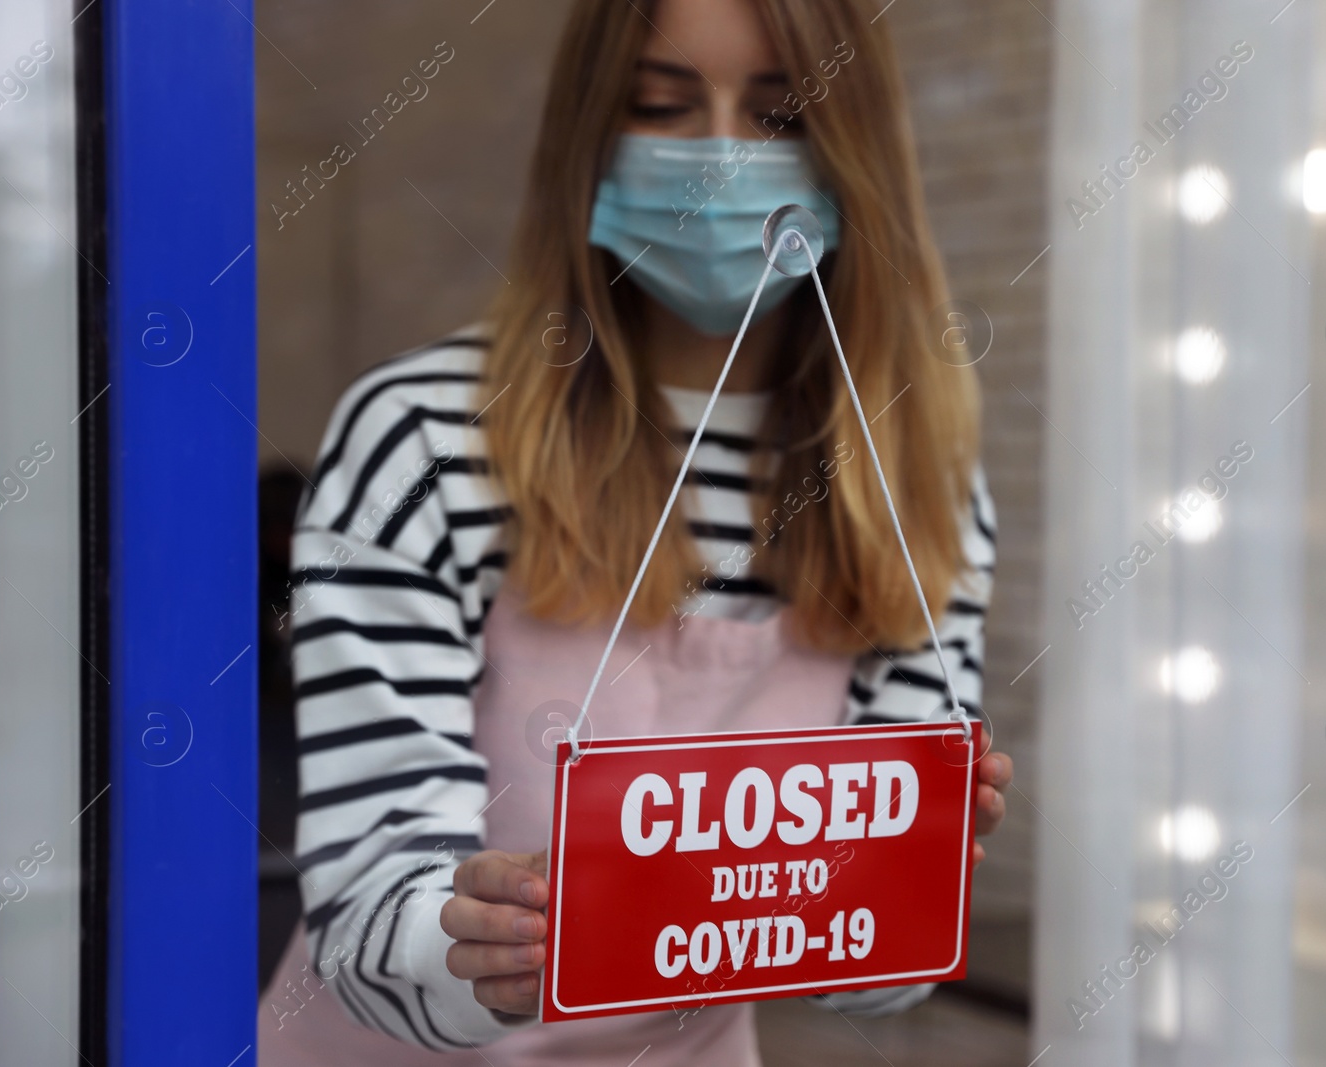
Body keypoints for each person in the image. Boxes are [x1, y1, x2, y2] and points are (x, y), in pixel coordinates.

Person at [257, 0, 1012, 1062]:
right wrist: (477, 946)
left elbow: (872, 983)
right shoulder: (424, 440)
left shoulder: (915, 482)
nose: (716, 158)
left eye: (780, 113)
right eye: (660, 105)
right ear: (586, 140)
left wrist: (914, 867)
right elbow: (366, 896)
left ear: (856, 149)